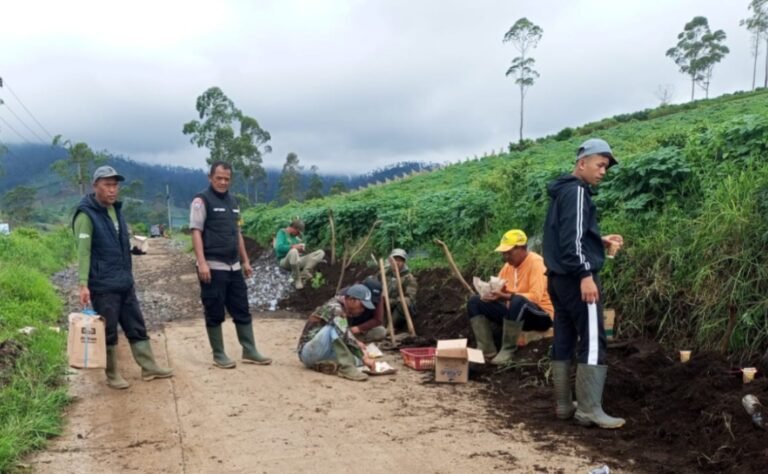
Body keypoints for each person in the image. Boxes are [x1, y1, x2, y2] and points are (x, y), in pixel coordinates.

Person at [543, 138, 625, 429]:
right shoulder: (578, 193)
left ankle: (564, 405)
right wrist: (586, 275)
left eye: (606, 167)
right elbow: (571, 243)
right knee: (592, 339)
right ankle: (589, 409)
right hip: (577, 278)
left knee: (563, 337)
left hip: (557, 279)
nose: (603, 171)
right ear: (582, 163)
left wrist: (598, 240)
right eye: (600, 165)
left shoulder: (562, 191)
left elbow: (564, 235)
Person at [73, 165, 173, 389]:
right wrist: (83, 284)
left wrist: (133, 249)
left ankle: (149, 367)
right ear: (95, 186)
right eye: (107, 185)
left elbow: (117, 241)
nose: (112, 190)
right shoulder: (86, 214)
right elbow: (83, 251)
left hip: (124, 281)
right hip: (103, 284)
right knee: (108, 330)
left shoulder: (115, 210)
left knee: (135, 324)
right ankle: (112, 374)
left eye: (115, 185)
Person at [190, 161, 272, 369]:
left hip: (234, 266)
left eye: (227, 179)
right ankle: (219, 354)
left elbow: (238, 233)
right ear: (210, 177)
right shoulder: (201, 201)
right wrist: (202, 263)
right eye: (219, 178)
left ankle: (249, 350)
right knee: (214, 310)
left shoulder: (234, 202)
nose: (223, 182)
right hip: (212, 266)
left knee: (242, 308)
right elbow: (196, 232)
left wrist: (245, 261)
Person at [467, 229, 554, 365]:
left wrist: (505, 296)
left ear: (521, 248)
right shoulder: (508, 267)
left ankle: (508, 349)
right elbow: (499, 288)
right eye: (504, 253)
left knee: (517, 300)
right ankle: (486, 349)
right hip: (514, 314)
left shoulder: (536, 263)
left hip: (540, 315)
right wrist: (489, 293)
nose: (506, 257)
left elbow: (535, 297)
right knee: (475, 301)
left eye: (509, 252)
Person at [297, 283, 377, 381]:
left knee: (357, 360)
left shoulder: (344, 307)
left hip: (321, 350)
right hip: (308, 351)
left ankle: (322, 365)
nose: (363, 309)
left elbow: (345, 332)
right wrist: (364, 356)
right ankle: (346, 368)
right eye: (362, 305)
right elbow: (343, 333)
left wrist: (360, 351)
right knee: (333, 327)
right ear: (352, 300)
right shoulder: (335, 307)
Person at [274, 219, 325, 289]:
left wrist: (302, 250)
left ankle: (305, 272)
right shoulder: (282, 233)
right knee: (293, 251)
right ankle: (297, 279)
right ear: (294, 228)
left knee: (320, 252)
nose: (298, 234)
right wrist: (293, 247)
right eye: (298, 232)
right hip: (284, 260)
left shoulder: (295, 238)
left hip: (297, 260)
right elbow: (279, 248)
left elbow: (299, 252)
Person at [381, 249, 418, 333]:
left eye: (399, 261)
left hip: (399, 306)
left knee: (405, 302)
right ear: (390, 261)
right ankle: (379, 326)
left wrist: (392, 301)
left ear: (404, 262)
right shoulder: (385, 274)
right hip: (386, 303)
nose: (397, 263)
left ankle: (391, 327)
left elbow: (410, 297)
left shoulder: (409, 278)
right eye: (394, 260)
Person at [345, 277, 387, 342]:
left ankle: (353, 340)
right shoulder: (351, 294)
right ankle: (348, 339)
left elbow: (378, 320)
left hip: (362, 327)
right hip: (347, 325)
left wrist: (359, 328)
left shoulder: (377, 298)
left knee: (381, 331)